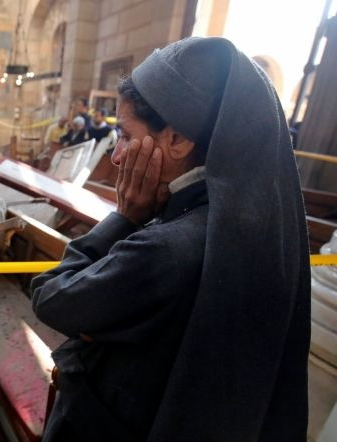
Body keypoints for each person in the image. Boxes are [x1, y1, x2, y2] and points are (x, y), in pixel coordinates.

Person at [31, 37, 309, 441]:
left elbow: (51, 297)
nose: (116, 156)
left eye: (126, 135)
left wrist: (125, 218)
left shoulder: (166, 249)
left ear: (177, 139)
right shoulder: (249, 225)